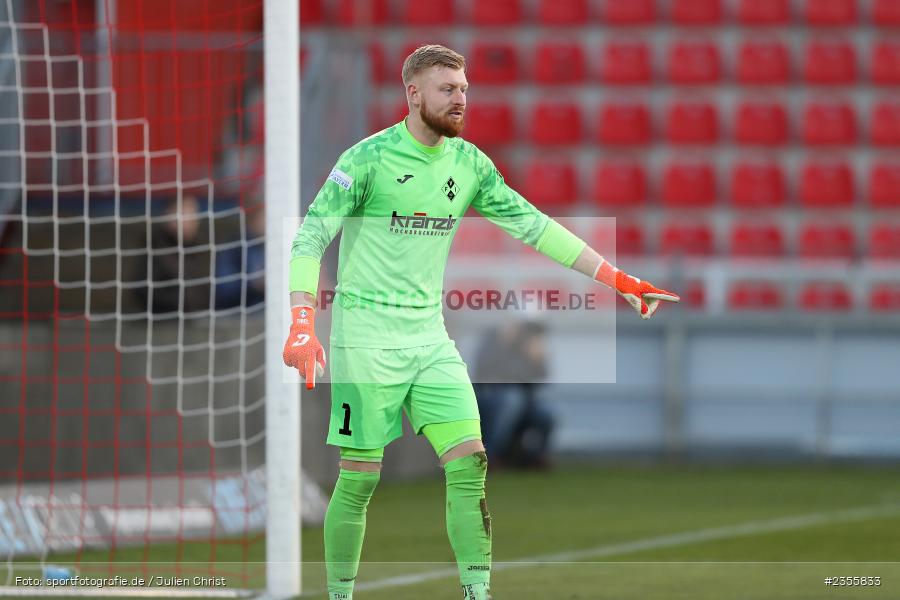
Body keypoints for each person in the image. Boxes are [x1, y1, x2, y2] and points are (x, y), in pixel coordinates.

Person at [282, 45, 680, 600]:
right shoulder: (366, 160)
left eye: (464, 89)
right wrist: (302, 321)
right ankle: (339, 595)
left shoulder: (469, 165)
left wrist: (616, 278)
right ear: (413, 93)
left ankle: (477, 594)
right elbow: (310, 237)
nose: (460, 99)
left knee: (470, 463)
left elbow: (535, 226)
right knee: (360, 479)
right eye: (448, 89)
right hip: (366, 339)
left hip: (430, 340)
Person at [473, 317, 555, 469]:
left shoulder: (532, 347)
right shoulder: (494, 339)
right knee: (512, 399)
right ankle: (490, 455)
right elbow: (481, 369)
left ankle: (534, 457)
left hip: (525, 400)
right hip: (492, 396)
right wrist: (502, 345)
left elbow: (541, 376)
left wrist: (537, 358)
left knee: (547, 413)